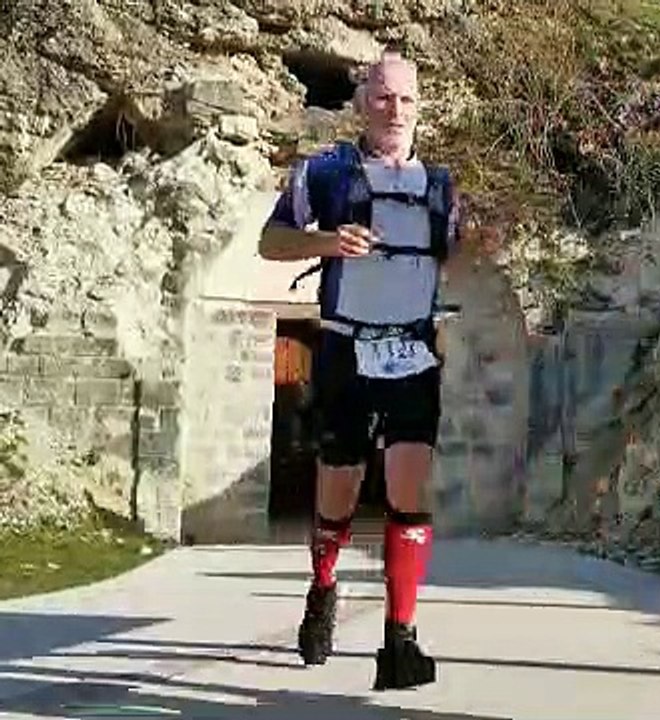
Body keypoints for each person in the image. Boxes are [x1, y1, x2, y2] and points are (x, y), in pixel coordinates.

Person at [258, 50, 468, 691]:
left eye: (405, 99)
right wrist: (327, 242)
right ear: (361, 104)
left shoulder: (442, 185)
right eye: (382, 97)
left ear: (419, 106)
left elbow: (447, 256)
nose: (394, 110)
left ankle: (399, 639)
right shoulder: (325, 171)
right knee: (339, 493)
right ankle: (323, 587)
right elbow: (271, 241)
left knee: (410, 493)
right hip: (346, 351)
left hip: (412, 353)